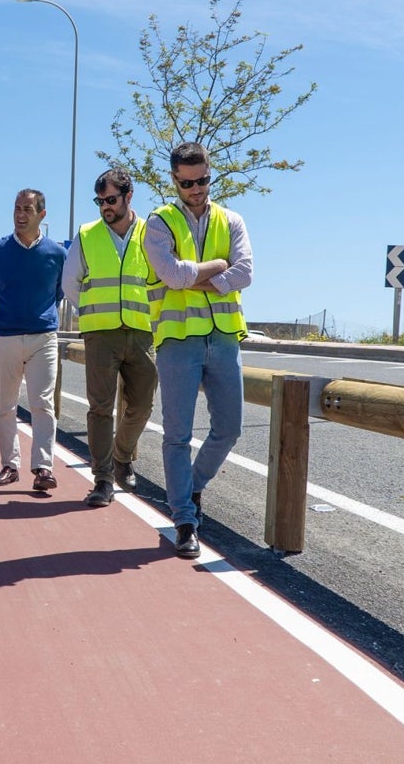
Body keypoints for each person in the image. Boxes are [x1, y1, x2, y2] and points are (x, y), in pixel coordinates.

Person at [143, 142, 253, 559]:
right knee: (177, 436)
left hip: (224, 338)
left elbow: (246, 272)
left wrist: (194, 277)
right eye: (188, 182)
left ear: (211, 174)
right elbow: (170, 275)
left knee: (230, 429)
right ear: (175, 180)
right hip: (177, 341)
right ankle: (185, 520)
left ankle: (190, 488)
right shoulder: (159, 222)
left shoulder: (232, 220)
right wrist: (217, 268)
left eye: (204, 179)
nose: (197, 188)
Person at [63, 168, 158, 508]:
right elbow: (70, 284)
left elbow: (160, 281)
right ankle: (103, 479)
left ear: (128, 196)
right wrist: (91, 314)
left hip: (142, 333)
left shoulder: (151, 232)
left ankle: (122, 456)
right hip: (101, 335)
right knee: (100, 409)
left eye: (111, 200)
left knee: (143, 404)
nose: (105, 206)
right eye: (100, 200)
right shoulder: (86, 235)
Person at [0, 189, 67, 492]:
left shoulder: (57, 253)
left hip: (43, 337)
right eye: (17, 208)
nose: (20, 214)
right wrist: (5, 320)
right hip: (4, 337)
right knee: (5, 405)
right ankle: (10, 465)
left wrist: (38, 319)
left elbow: (59, 292)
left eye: (27, 209)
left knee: (43, 403)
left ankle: (43, 468)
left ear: (41, 214)